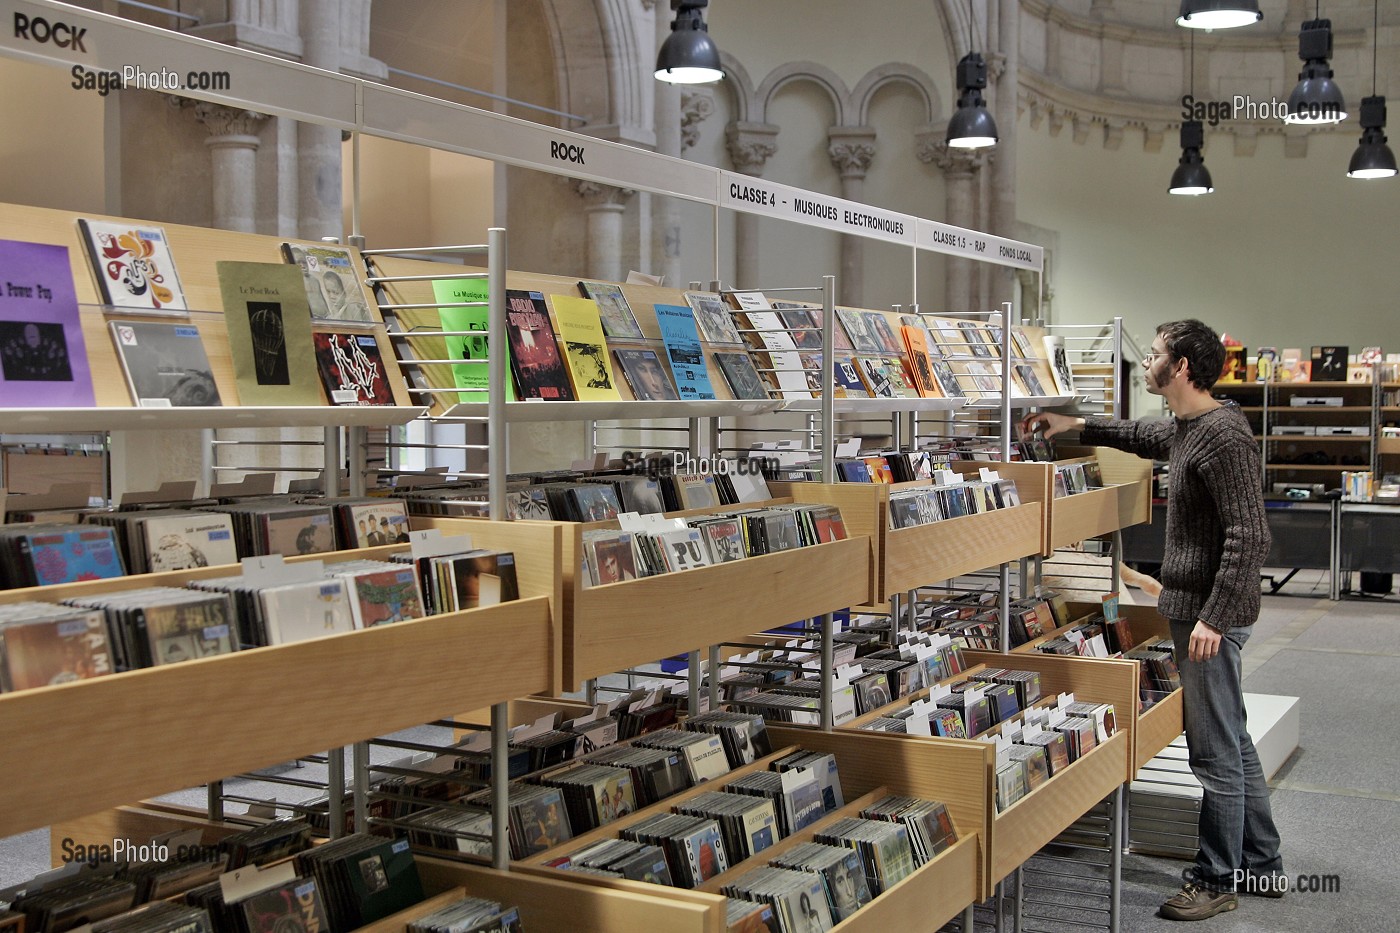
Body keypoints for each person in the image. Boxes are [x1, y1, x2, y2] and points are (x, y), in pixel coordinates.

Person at [1020, 319, 1283, 921]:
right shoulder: (1194, 427)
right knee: (1234, 741)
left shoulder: (1222, 437)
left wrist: (1214, 619)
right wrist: (1075, 427)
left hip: (1209, 616)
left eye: (1158, 354)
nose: (1149, 362)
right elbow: (1144, 433)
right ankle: (1262, 864)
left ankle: (1217, 879)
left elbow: (1250, 536)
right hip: (1199, 610)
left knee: (1213, 752)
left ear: (1184, 367)